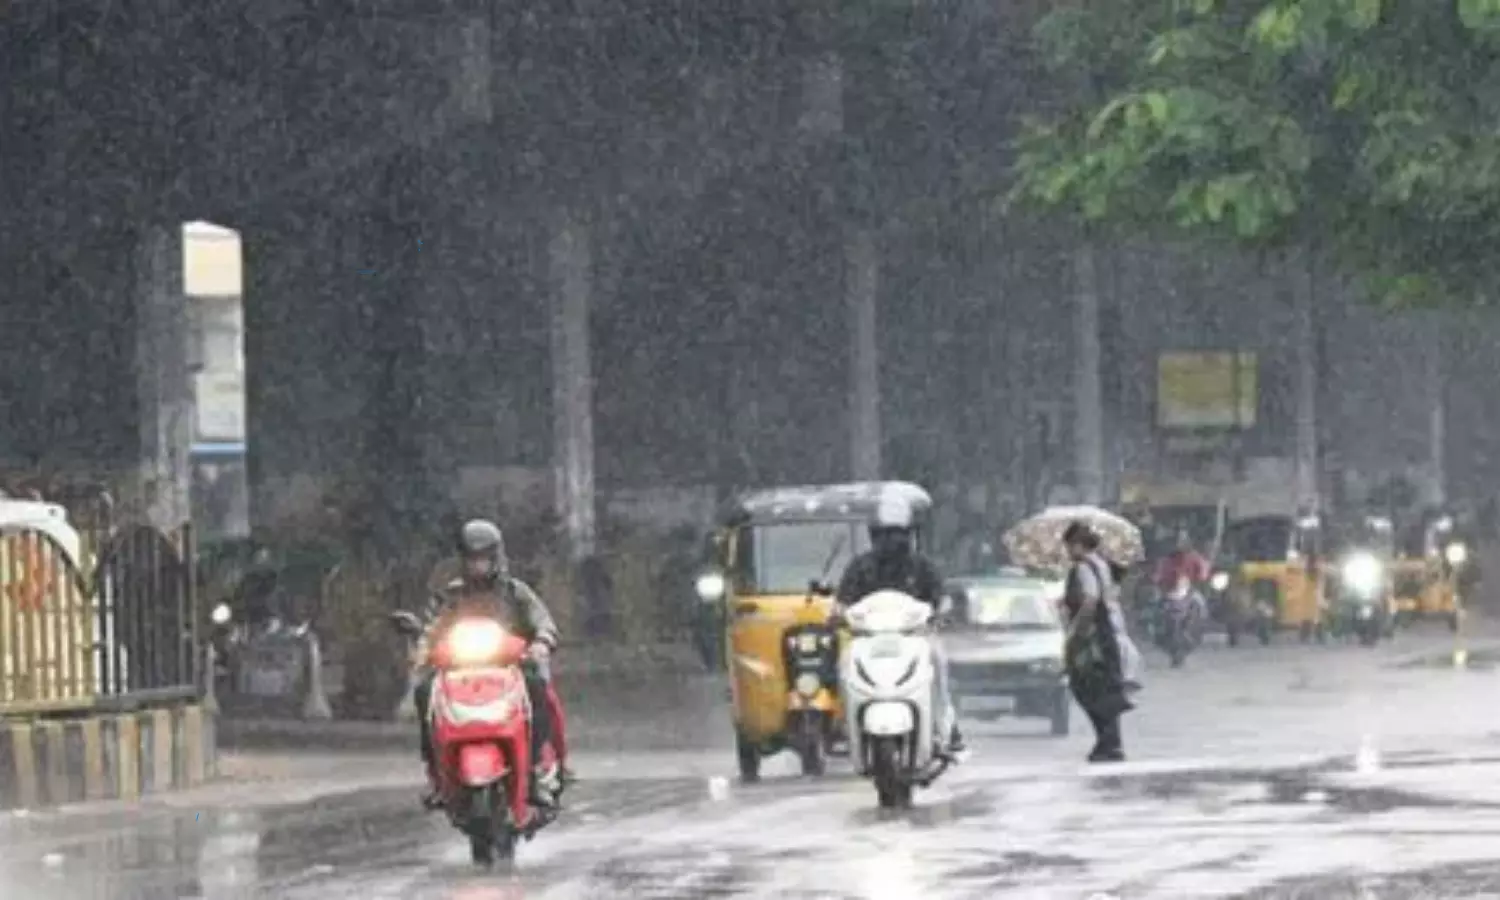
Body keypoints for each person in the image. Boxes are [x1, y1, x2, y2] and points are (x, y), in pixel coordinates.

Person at [411, 519, 570, 808]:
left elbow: (542, 621)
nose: (478, 566)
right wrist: (423, 648)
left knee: (538, 688)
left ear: (497, 557)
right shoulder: (452, 595)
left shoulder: (515, 592)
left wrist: (541, 642)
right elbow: (432, 627)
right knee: (423, 692)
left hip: (511, 668)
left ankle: (535, 768)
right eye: (472, 559)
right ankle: (437, 775)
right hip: (461, 671)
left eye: (484, 558)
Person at [836, 496, 965, 756]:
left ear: (910, 534)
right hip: (868, 640)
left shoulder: (922, 566)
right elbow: (843, 600)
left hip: (915, 637)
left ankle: (946, 725)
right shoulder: (861, 567)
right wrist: (838, 614)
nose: (892, 541)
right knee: (843, 662)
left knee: (937, 660)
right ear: (874, 536)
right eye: (885, 535)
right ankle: (843, 723)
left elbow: (941, 596)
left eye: (898, 534)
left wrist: (941, 612)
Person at [1061, 520, 1140, 763]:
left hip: (1093, 637)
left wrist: (1076, 632)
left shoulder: (1083, 568)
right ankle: (1109, 742)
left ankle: (1108, 741)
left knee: (1086, 686)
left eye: (1069, 545)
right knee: (1104, 688)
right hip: (1109, 633)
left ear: (1077, 544)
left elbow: (1090, 600)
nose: (1066, 551)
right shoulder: (1102, 564)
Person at [1152, 530, 1210, 618]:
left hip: (1187, 590)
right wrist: (1161, 583)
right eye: (1178, 541)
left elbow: (1203, 574)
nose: (1179, 544)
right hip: (1168, 591)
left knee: (1200, 603)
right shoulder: (1166, 559)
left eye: (1182, 541)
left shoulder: (1195, 557)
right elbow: (1158, 576)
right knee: (1153, 604)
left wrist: (1197, 579)